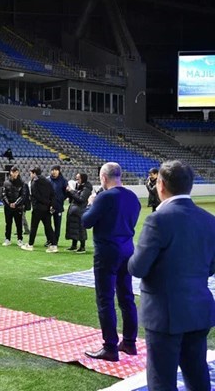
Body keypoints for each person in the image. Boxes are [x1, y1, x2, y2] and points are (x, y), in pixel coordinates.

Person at [129, 161, 215, 390]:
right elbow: (211, 266)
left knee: (161, 381)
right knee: (197, 375)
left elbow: (137, 268)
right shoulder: (209, 220)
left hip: (164, 314)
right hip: (198, 309)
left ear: (161, 185)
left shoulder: (158, 219)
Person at [81, 162, 141, 362]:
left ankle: (110, 347)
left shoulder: (104, 197)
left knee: (105, 299)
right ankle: (130, 343)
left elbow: (86, 221)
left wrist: (91, 203)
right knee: (126, 297)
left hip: (107, 251)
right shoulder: (132, 197)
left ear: (104, 178)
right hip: (127, 249)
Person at [21, 167, 57, 253]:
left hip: (38, 208)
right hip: (47, 208)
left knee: (34, 227)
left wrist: (42, 202)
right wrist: (50, 204)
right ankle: (54, 245)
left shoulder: (34, 182)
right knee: (48, 227)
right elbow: (53, 194)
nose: (30, 175)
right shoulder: (48, 181)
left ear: (34, 173)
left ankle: (30, 244)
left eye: (31, 173)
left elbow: (36, 195)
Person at [1, 166, 29, 247]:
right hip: (8, 207)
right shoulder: (6, 183)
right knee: (8, 223)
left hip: (18, 207)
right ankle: (7, 239)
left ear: (18, 173)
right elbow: (3, 195)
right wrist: (9, 203)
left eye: (16, 172)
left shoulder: (22, 183)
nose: (14, 174)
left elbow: (23, 195)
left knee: (19, 224)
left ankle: (20, 239)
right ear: (10, 172)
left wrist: (15, 203)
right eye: (13, 172)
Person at [64, 173, 92, 253]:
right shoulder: (79, 187)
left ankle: (82, 247)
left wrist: (71, 191)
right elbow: (73, 197)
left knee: (80, 229)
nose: (77, 180)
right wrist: (69, 192)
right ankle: (74, 245)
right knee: (74, 228)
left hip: (80, 211)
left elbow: (81, 199)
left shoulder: (86, 188)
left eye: (78, 179)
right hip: (74, 210)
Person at [48, 165, 68, 247]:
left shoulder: (63, 181)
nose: (54, 171)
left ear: (59, 171)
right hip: (48, 206)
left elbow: (66, 192)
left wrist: (61, 199)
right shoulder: (48, 180)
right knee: (47, 224)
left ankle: (55, 241)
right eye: (52, 170)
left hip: (58, 206)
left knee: (57, 225)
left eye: (56, 170)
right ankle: (49, 239)